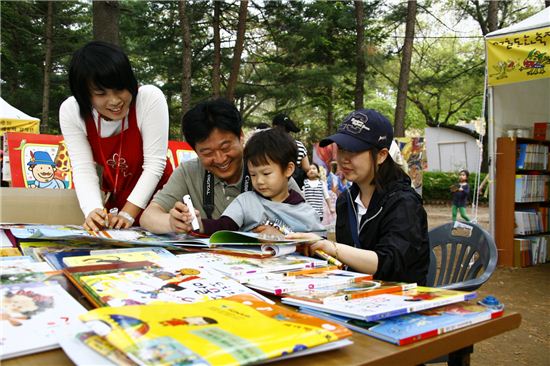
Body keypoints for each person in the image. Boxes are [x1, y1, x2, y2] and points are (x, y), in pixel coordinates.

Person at [287, 109, 430, 285]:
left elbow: (391, 263)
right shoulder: (345, 200)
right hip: (357, 295)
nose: (343, 159)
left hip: (400, 299)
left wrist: (331, 247)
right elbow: (349, 261)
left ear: (381, 155)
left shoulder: (403, 203)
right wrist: (315, 249)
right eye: (341, 149)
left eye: (354, 150)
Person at [140, 99, 302, 234]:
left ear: (241, 136)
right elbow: (148, 217)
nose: (220, 159)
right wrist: (172, 222)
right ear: (195, 151)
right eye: (207, 152)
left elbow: (307, 223)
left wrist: (282, 232)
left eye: (225, 147)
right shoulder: (188, 172)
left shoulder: (267, 170)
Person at [59, 41, 172, 232]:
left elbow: (155, 165)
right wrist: (93, 211)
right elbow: (83, 168)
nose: (114, 101)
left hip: (160, 199)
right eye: (101, 93)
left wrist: (128, 212)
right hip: (118, 199)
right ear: (85, 95)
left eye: (120, 89)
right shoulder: (71, 111)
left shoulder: (149, 99)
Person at [178, 128, 325, 235]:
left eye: (266, 173)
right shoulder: (245, 202)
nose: (259, 181)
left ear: (288, 169)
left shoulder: (305, 211)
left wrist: (283, 238)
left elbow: (318, 244)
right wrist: (199, 223)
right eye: (253, 174)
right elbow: (224, 226)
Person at [272, 114, 311, 188]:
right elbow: (306, 167)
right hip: (294, 186)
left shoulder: (269, 144)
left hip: (274, 185)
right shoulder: (299, 145)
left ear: (274, 126)